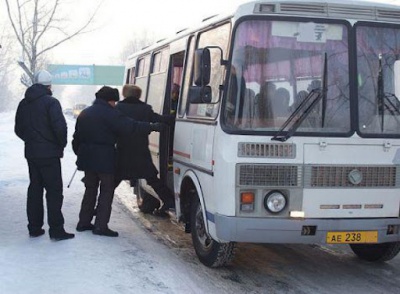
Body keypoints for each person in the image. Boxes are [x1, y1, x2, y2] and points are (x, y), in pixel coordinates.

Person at [72, 86, 163, 237]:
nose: (115, 104)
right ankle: (100, 226)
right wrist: (151, 126)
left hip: (87, 159)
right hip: (104, 159)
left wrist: (82, 154)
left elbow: (76, 139)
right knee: (106, 192)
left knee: (90, 190)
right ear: (110, 100)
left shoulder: (85, 113)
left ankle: (83, 222)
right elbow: (130, 126)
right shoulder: (110, 113)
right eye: (114, 101)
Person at [14, 70, 75, 241]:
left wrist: (31, 141)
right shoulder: (51, 102)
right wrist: (59, 145)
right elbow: (60, 128)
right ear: (49, 85)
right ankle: (56, 230)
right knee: (54, 191)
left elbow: (18, 129)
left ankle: (34, 227)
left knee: (35, 189)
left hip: (31, 153)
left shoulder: (23, 103)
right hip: (49, 155)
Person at [115, 84, 175, 215]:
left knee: (115, 179)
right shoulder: (145, 108)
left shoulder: (118, 108)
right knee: (152, 178)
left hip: (123, 150)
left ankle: (99, 206)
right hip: (141, 150)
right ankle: (169, 200)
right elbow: (159, 119)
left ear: (124, 94)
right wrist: (175, 117)